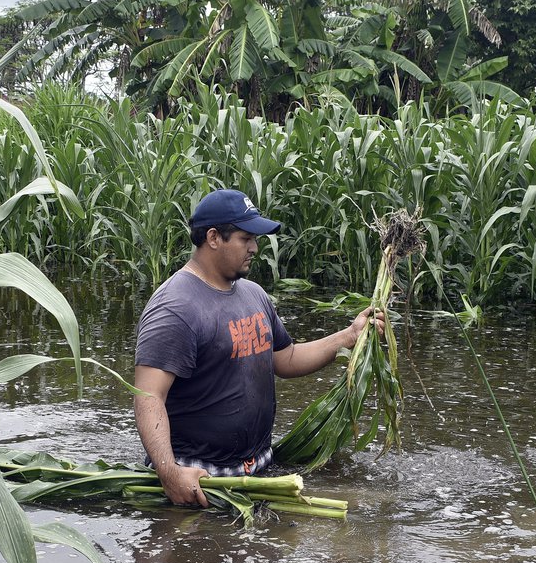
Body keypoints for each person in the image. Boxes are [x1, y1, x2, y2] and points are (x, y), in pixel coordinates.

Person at [134, 188, 383, 507]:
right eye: (245, 238)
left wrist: (349, 336)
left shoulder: (253, 294)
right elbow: (149, 396)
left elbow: (286, 358)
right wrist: (170, 474)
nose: (255, 247)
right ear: (213, 237)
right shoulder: (175, 308)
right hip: (202, 480)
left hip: (259, 468)